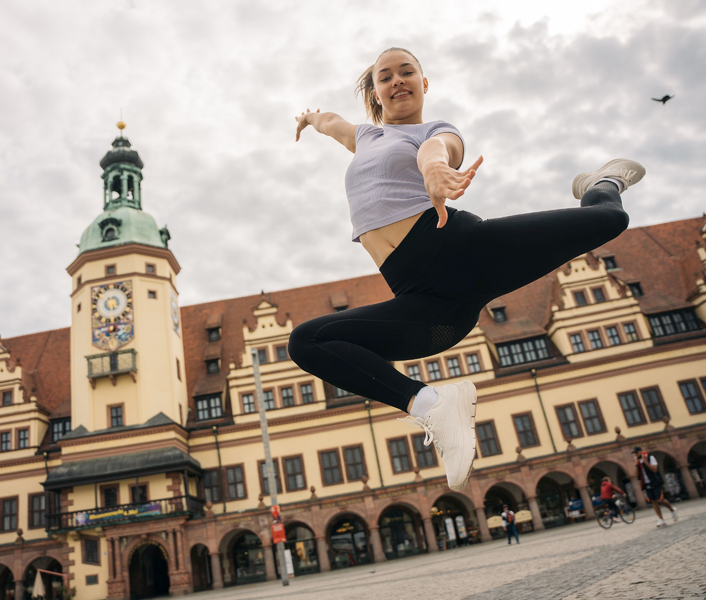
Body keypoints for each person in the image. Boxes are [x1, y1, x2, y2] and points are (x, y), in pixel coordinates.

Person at [288, 46, 645, 492]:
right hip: (432, 309)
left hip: (465, 251)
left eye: (407, 72)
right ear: (376, 93)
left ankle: (602, 183)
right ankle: (431, 403)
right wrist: (310, 118)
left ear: (423, 83)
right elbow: (332, 123)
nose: (398, 80)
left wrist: (436, 169)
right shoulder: (364, 137)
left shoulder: (435, 131)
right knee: (307, 341)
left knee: (609, 220)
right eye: (386, 77)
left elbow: (438, 151)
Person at [632, 446, 678, 526]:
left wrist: (645, 461)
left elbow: (654, 469)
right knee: (653, 501)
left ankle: (672, 510)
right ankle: (661, 519)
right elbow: (635, 475)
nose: (635, 455)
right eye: (634, 453)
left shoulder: (650, 457)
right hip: (646, 484)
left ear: (640, 451)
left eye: (636, 453)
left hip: (655, 482)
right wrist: (636, 464)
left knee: (660, 500)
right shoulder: (638, 462)